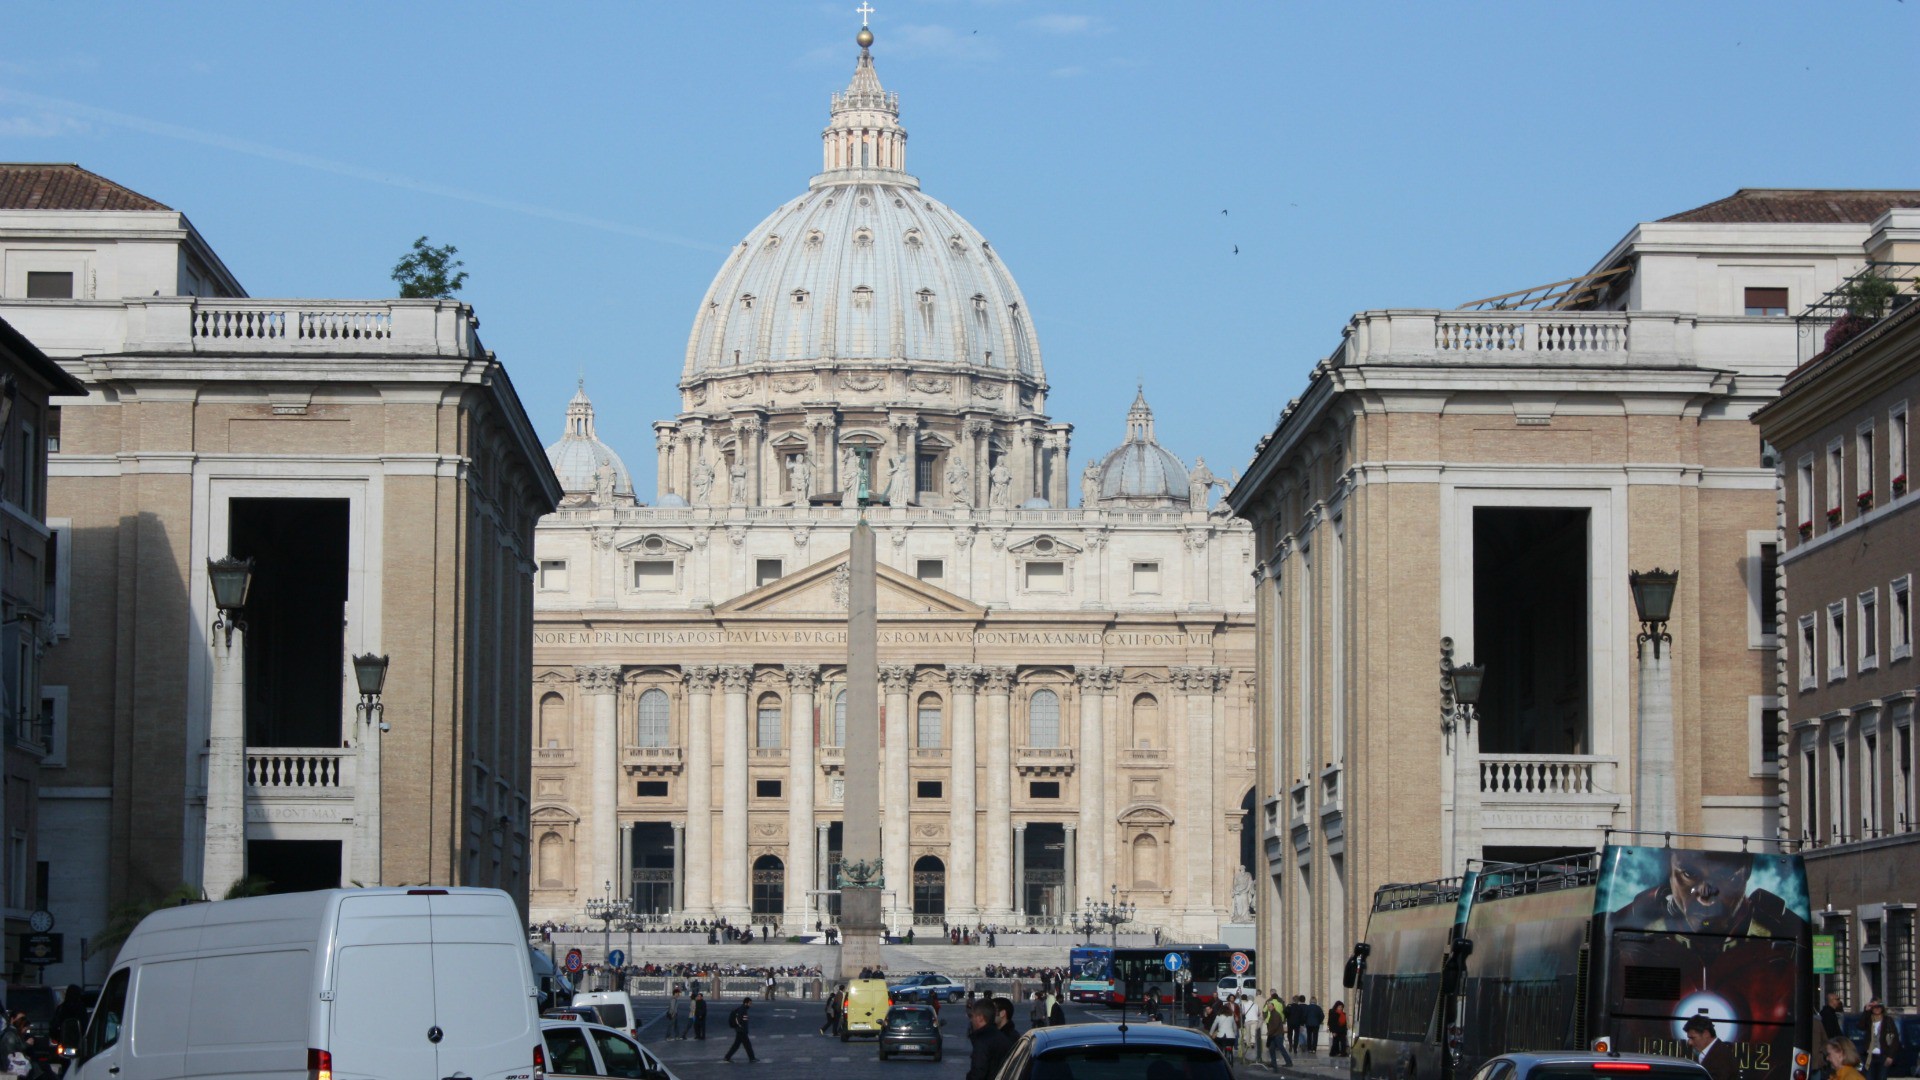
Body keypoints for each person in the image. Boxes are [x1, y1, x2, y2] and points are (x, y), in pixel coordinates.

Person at [968, 999, 1016, 1080]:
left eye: (972, 1016)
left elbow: (978, 1072)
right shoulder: (1000, 1036)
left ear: (980, 1018)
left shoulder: (983, 1041)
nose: (971, 1020)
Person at [1684, 1014, 1737, 1080]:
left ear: (1706, 1034)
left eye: (1692, 1038)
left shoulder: (1722, 1056)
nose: (1689, 1042)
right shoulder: (1713, 1052)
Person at [1864, 1000, 1902, 1080]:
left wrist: (1890, 1056)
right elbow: (1860, 1026)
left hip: (1883, 1055)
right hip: (1870, 1056)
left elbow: (1894, 1040)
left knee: (1882, 1077)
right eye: (1874, 1007)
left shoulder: (1888, 1020)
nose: (1877, 1009)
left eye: (1879, 1007)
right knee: (1869, 1077)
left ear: (1882, 1008)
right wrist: (1866, 1011)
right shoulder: (1868, 1019)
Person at [723, 997, 758, 1064]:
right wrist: (741, 1027)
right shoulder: (742, 1010)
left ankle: (727, 1057)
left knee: (736, 1045)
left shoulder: (742, 1009)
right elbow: (739, 1020)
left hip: (740, 1030)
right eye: (750, 1003)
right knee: (747, 1045)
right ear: (746, 1003)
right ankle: (752, 1058)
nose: (750, 1005)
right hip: (741, 1031)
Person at [1264, 991, 1293, 1069]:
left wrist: (1269, 1032)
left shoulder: (1276, 1014)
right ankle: (1273, 1063)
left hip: (1277, 1035)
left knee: (1281, 1048)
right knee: (1271, 1049)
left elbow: (1275, 1026)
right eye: (1268, 1007)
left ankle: (1289, 1062)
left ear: (1273, 1007)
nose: (1269, 1008)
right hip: (1274, 1034)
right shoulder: (1273, 1014)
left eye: (1270, 1007)